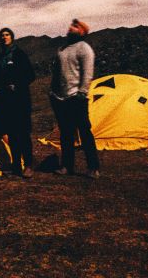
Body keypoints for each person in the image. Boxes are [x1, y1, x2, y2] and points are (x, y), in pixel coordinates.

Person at [49, 18, 100, 178]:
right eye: (71, 25)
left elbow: (87, 73)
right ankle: (66, 166)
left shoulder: (84, 49)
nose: (71, 27)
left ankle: (93, 167)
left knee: (85, 133)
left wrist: (82, 93)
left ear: (82, 31)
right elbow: (56, 72)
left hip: (77, 98)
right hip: (60, 98)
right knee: (66, 133)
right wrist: (52, 92)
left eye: (75, 26)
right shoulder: (62, 49)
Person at [0, 27, 36, 178]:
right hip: (5, 100)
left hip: (20, 100)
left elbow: (30, 74)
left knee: (22, 133)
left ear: (12, 37)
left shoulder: (18, 54)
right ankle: (16, 166)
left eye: (7, 35)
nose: (4, 37)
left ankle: (28, 165)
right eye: (2, 35)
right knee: (11, 133)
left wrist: (17, 85)